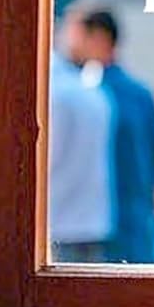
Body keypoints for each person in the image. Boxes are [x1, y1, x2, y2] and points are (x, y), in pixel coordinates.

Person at [63, 3, 154, 264]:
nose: (67, 42)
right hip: (125, 235)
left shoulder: (89, 97)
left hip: (105, 236)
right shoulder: (136, 95)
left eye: (73, 33)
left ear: (98, 37)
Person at [48, 40, 113, 263]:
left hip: (59, 222)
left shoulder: (58, 93)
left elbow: (49, 158)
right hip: (92, 220)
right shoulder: (94, 95)